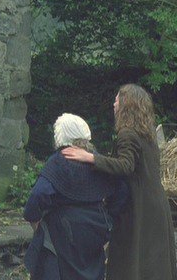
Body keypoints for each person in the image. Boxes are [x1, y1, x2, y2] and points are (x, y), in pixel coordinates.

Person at [62, 84, 177, 280]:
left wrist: (90, 158)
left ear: (127, 105)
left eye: (117, 100)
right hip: (156, 205)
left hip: (138, 208)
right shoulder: (146, 134)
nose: (114, 104)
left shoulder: (128, 134)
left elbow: (125, 165)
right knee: (152, 264)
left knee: (130, 261)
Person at [23, 113, 127, 280]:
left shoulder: (59, 161)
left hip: (64, 231)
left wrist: (35, 222)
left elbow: (38, 194)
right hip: (95, 227)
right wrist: (109, 220)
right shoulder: (97, 160)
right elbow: (122, 190)